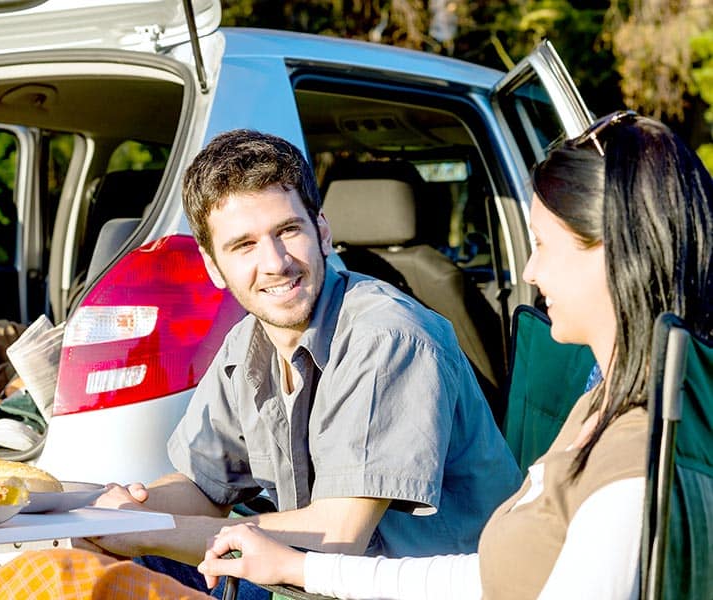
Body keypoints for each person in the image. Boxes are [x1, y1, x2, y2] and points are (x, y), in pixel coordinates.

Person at [193, 112, 713, 599]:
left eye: (545, 245)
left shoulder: (637, 466)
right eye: (243, 245)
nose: (529, 272)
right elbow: (482, 576)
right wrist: (296, 568)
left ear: (615, 254)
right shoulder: (603, 405)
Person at [62, 129, 521, 596]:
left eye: (287, 231)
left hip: (407, 587)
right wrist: (117, 515)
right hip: (304, 582)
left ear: (322, 230)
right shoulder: (246, 343)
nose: (276, 263)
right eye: (244, 245)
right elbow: (203, 488)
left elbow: (339, 535)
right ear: (213, 266)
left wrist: (148, 532)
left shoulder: (387, 338)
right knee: (74, 566)